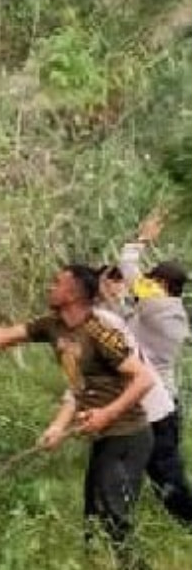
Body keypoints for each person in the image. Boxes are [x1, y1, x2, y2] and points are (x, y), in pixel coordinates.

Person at [0, 264, 155, 570]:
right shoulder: (52, 326)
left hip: (128, 437)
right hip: (104, 437)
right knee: (93, 522)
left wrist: (107, 414)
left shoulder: (100, 332)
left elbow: (144, 379)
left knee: (114, 519)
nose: (50, 288)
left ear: (74, 293)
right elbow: (3, 338)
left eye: (57, 283)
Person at [106, 214, 192, 525]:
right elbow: (130, 329)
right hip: (148, 403)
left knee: (166, 476)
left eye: (152, 282)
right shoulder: (161, 312)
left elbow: (129, 269)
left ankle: (188, 522)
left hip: (159, 408)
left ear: (164, 286)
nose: (145, 286)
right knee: (150, 470)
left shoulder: (162, 309)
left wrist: (141, 240)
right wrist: (114, 301)